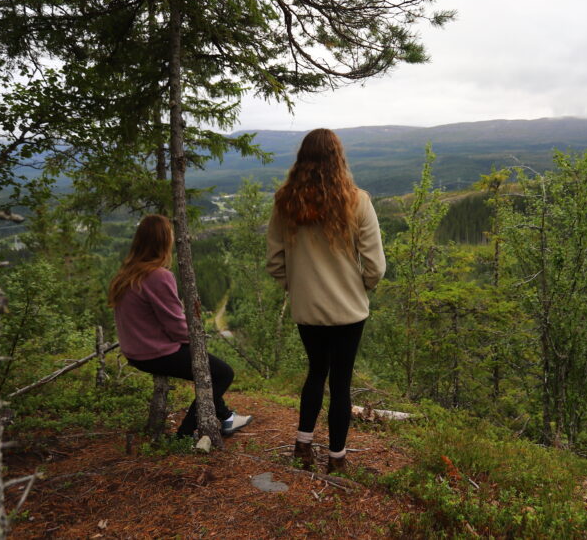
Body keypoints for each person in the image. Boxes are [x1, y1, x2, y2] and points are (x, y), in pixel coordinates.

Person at [266, 129, 386, 474]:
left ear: (302, 158)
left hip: (308, 309)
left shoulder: (285, 202)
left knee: (316, 372)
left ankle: (302, 446)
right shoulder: (357, 200)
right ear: (339, 157)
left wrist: (298, 287)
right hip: (349, 309)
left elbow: (275, 261)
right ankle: (337, 460)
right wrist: (359, 287)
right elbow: (375, 265)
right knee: (341, 383)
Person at [110, 214, 252, 439]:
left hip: (135, 352)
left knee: (212, 369)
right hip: (154, 353)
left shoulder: (127, 273)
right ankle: (185, 434)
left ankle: (226, 418)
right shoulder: (158, 275)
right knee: (223, 373)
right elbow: (176, 327)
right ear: (164, 241)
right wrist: (197, 339)